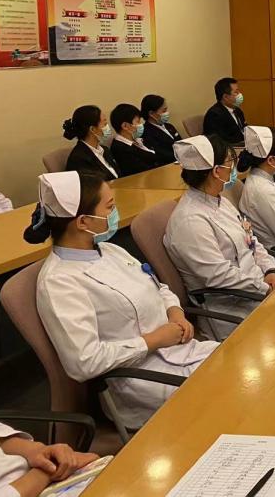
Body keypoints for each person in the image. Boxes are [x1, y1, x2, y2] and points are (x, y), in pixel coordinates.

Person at [28, 171, 217, 431]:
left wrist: (175, 312)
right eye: (110, 207)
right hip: (139, 380)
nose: (115, 213)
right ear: (83, 222)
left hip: (179, 351)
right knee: (227, 391)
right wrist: (153, 340)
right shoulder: (59, 282)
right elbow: (85, 361)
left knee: (239, 362)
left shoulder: (110, 250)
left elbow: (157, 286)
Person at [163, 135, 275, 339]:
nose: (234, 168)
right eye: (230, 162)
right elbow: (218, 276)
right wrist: (263, 288)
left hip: (259, 287)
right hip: (233, 307)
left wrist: (270, 269)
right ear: (217, 171)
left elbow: (251, 240)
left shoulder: (220, 200)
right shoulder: (190, 221)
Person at [0, 416, 99, 497]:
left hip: (51, 477)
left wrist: (37, 450)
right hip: (39, 483)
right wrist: (47, 471)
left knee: (104, 471)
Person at [62, 105, 119, 180]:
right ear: (92, 129)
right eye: (105, 124)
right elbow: (94, 185)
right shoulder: (79, 159)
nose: (108, 127)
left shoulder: (105, 150)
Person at [109, 103, 160, 177]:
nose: (141, 124)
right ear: (125, 126)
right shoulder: (119, 148)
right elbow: (141, 170)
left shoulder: (138, 139)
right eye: (138, 122)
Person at [141, 94, 182, 165]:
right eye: (164, 111)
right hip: (170, 165)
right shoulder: (146, 132)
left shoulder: (169, 126)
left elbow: (181, 142)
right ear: (151, 113)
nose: (167, 113)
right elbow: (161, 154)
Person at [203, 77, 246, 144]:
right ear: (225, 97)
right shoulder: (214, 115)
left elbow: (244, 129)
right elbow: (220, 141)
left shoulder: (237, 110)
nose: (240, 95)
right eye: (236, 92)